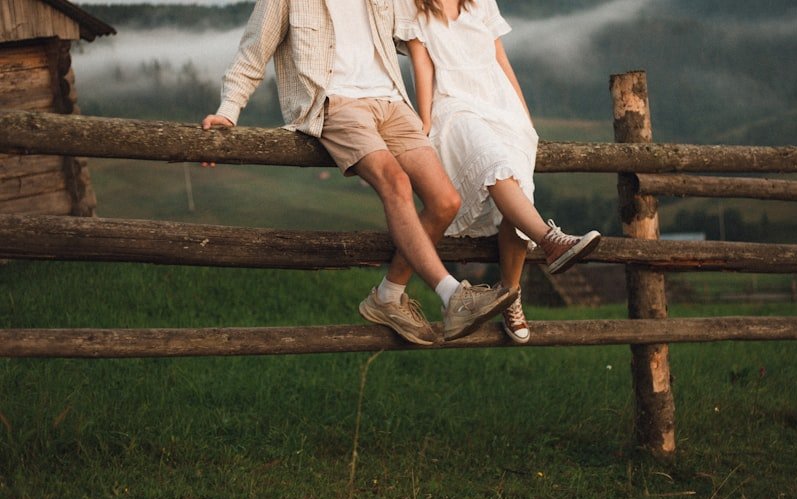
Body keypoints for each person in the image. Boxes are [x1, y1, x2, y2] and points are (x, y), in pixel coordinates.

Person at [201, 0, 517, 344]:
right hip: (336, 103)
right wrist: (228, 112)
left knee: (446, 201)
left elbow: (424, 31)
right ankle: (454, 295)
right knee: (394, 181)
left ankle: (388, 296)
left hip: (393, 102)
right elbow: (253, 50)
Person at [394, 0, 602, 343]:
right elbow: (423, 67)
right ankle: (550, 240)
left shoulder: (480, 4)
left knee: (519, 189)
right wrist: (426, 123)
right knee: (494, 163)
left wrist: (525, 119)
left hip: (502, 109)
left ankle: (510, 294)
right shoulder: (411, 8)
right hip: (455, 108)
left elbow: (501, 60)